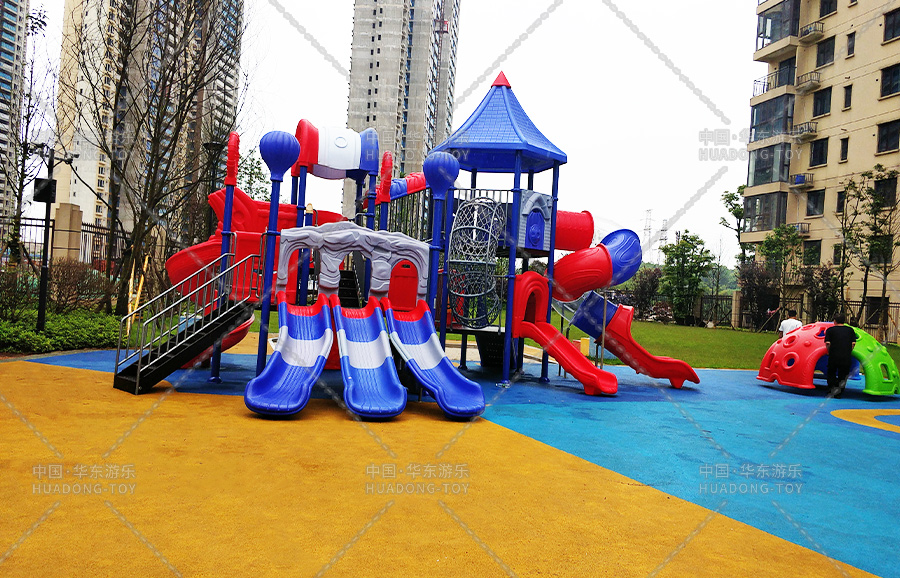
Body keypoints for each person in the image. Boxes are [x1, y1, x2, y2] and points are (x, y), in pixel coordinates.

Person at [824, 314, 857, 398]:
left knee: (831, 372)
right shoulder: (850, 330)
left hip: (834, 355)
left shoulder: (830, 330)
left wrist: (829, 351)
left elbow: (828, 343)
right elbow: (853, 343)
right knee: (843, 374)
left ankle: (831, 390)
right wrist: (849, 351)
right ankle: (839, 392)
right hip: (846, 356)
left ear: (835, 321)